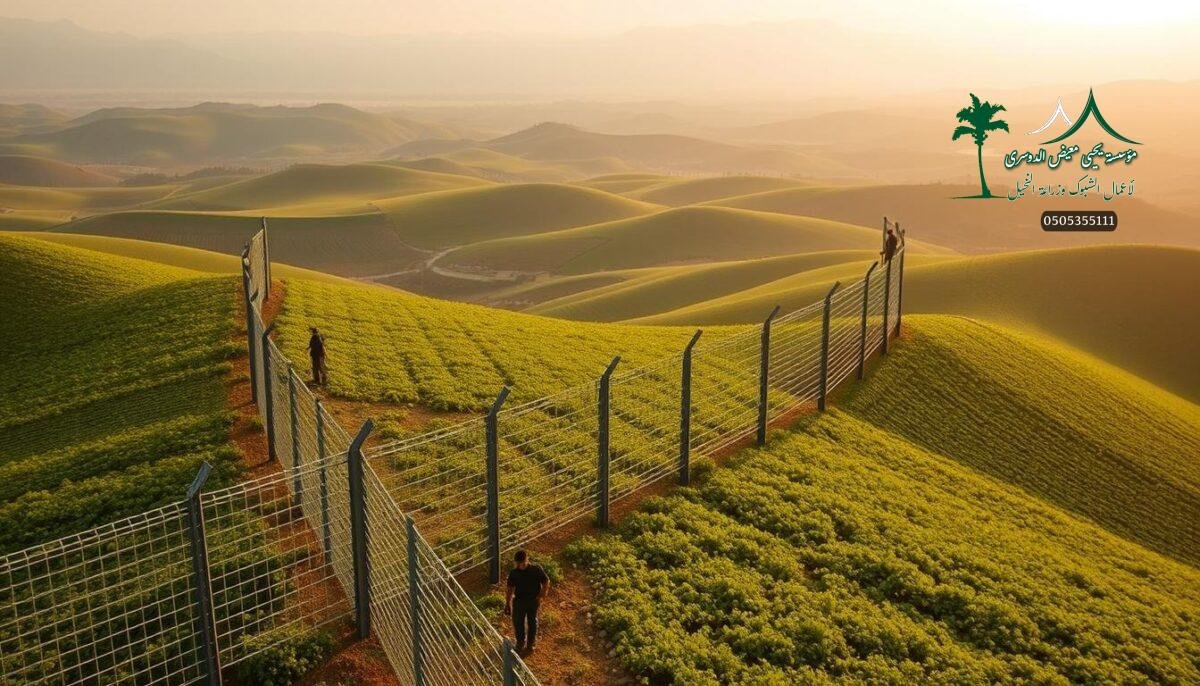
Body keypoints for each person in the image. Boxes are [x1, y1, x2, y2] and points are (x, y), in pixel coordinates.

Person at [505, 549, 549, 654]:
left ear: (527, 559)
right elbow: (510, 589)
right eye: (519, 563)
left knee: (532, 622)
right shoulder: (514, 573)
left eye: (523, 562)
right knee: (518, 623)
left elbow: (546, 581)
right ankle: (520, 644)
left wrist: (542, 594)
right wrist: (507, 603)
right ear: (516, 563)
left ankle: (530, 646)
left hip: (533, 601)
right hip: (519, 602)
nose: (522, 565)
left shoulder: (536, 569)